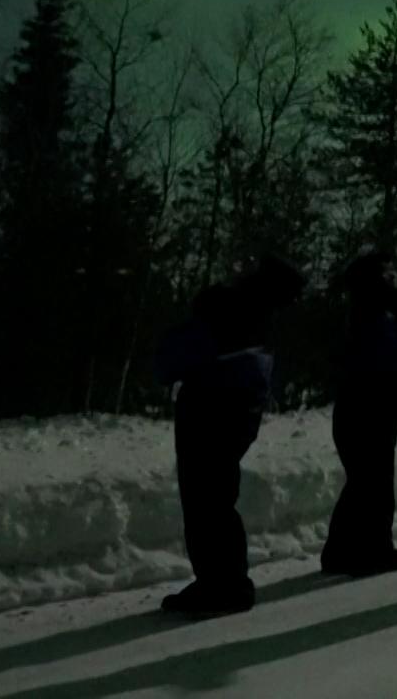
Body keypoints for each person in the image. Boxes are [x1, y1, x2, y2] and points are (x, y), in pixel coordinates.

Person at [154, 255, 306, 615]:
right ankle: (220, 580)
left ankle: (224, 585)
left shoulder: (232, 312)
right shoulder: (257, 316)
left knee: (207, 499)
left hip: (212, 408)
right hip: (233, 408)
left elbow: (169, 361)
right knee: (214, 497)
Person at [320, 252, 397, 577]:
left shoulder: (367, 317)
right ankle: (374, 551)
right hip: (369, 412)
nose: (394, 282)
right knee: (373, 483)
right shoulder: (373, 321)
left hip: (361, 411)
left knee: (363, 483)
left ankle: (340, 551)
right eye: (388, 276)